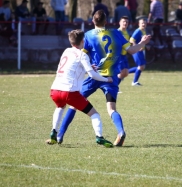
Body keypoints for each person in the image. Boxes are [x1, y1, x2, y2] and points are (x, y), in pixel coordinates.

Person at [57, 10, 151, 146]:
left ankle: (60, 135)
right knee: (112, 109)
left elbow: (80, 55)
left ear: (93, 21)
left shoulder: (88, 36)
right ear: (106, 21)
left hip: (94, 77)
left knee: (73, 105)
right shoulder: (116, 33)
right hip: (111, 77)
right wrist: (143, 43)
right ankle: (120, 132)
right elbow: (131, 50)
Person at [46, 29, 114, 147]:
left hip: (55, 89)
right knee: (94, 114)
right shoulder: (83, 55)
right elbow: (92, 75)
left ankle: (53, 132)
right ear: (83, 41)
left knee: (60, 107)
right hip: (69, 92)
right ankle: (99, 137)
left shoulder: (66, 51)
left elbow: (71, 67)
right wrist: (106, 79)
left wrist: (87, 67)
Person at [129, 18, 148, 86]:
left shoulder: (144, 31)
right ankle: (134, 82)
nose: (143, 24)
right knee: (141, 66)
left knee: (142, 67)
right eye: (142, 23)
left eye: (144, 23)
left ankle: (123, 72)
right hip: (137, 51)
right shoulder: (138, 31)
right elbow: (131, 40)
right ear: (139, 24)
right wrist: (136, 47)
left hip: (141, 50)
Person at [117, 16, 131, 88]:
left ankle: (114, 85)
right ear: (120, 23)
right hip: (118, 55)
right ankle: (114, 87)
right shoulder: (118, 32)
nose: (125, 23)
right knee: (122, 72)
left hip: (124, 55)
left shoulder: (126, 32)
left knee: (126, 73)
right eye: (123, 22)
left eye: (127, 22)